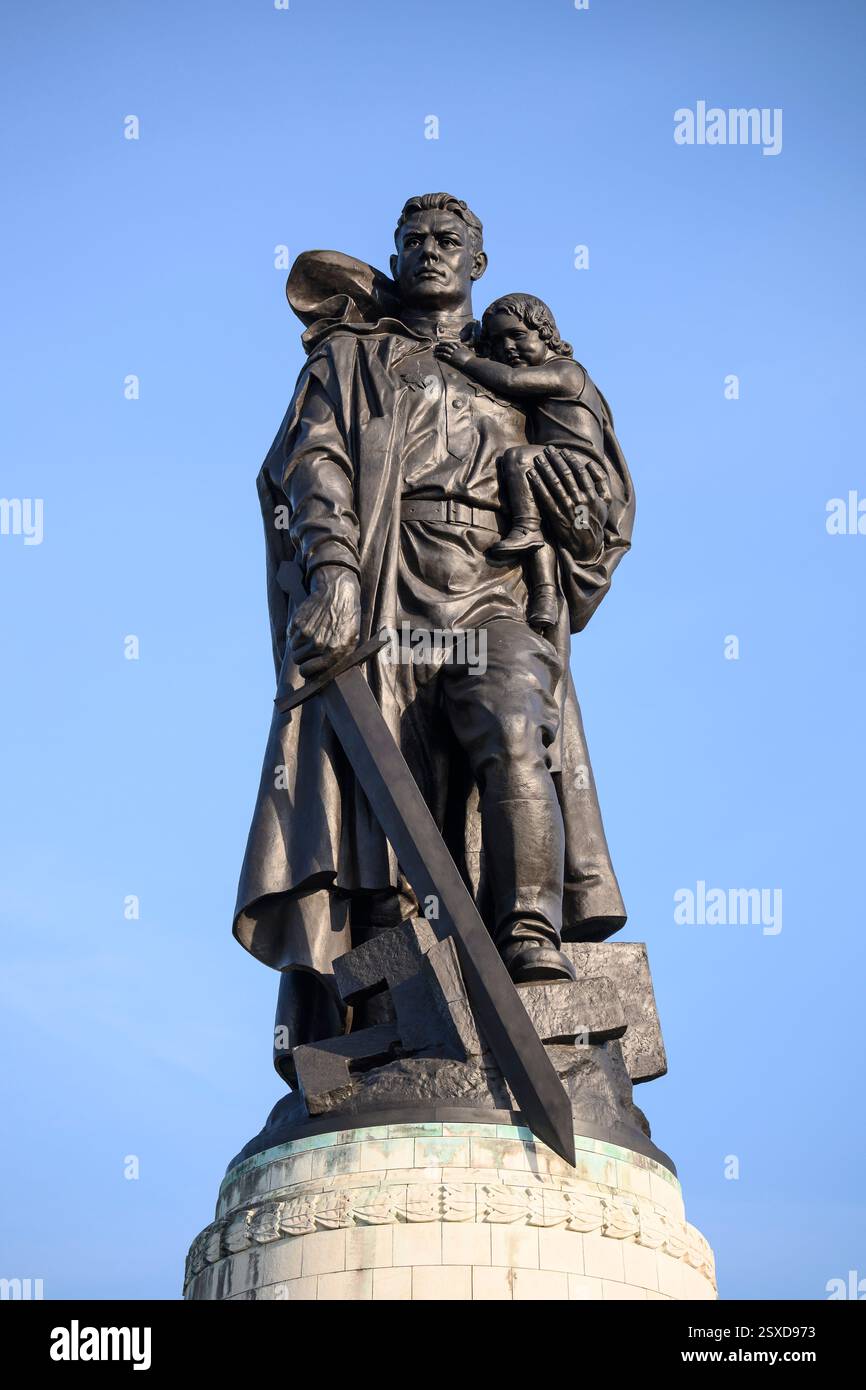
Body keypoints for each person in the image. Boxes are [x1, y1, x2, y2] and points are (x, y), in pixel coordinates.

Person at [234, 193, 635, 1055]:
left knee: (514, 721)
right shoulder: (349, 359)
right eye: (412, 239)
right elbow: (314, 467)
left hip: (492, 590)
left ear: (477, 262)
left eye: (448, 240)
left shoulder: (528, 369)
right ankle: (391, 1001)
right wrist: (334, 571)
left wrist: (582, 501)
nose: (428, 251)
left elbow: (600, 506)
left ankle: (528, 935)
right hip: (388, 591)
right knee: (383, 799)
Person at [436, 293, 608, 634]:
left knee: (517, 458)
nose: (509, 347)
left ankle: (526, 526)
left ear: (546, 333)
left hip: (576, 464)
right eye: (499, 340)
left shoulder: (567, 373)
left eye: (518, 335)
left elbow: (511, 381)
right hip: (553, 464)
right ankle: (544, 596)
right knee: (540, 536)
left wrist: (467, 361)